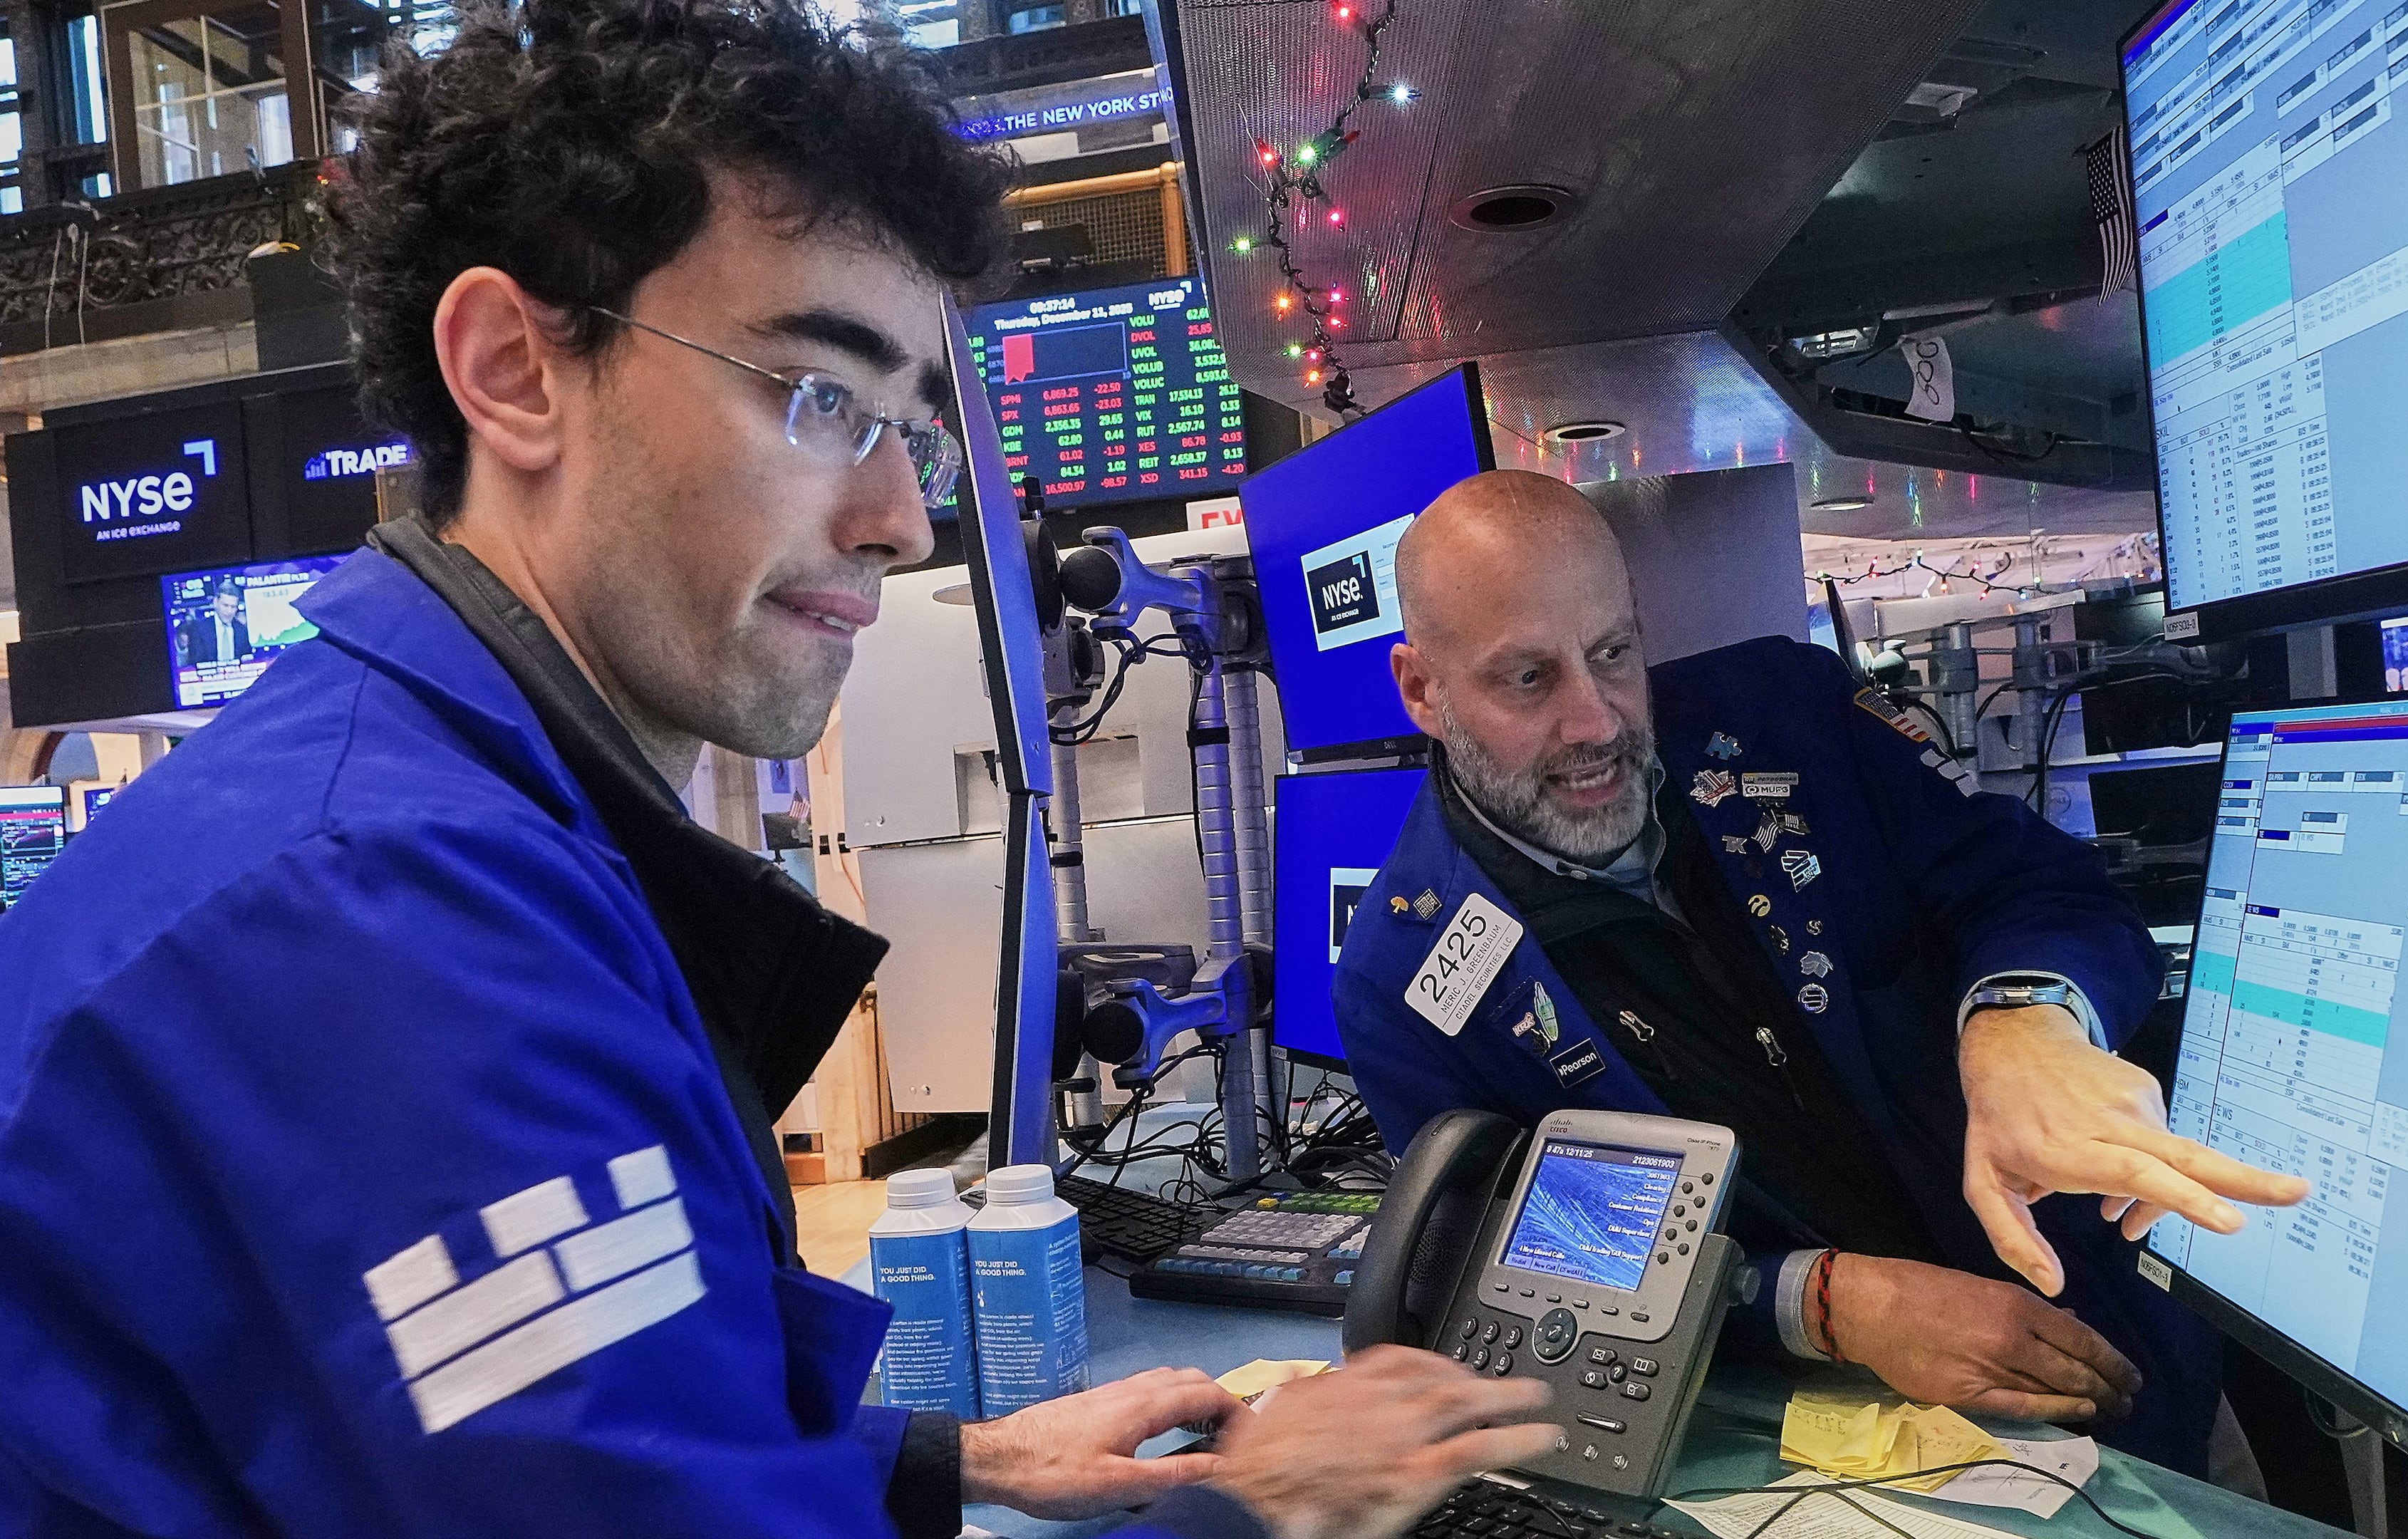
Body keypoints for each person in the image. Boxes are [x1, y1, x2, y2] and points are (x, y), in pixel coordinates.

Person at [0, 1, 1555, 1533]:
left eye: (908, 430)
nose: (899, 519)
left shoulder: (441, 824)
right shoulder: (382, 926)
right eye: (822, 398)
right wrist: (1267, 1509)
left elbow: (528, 1444)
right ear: (514, 369)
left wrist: (945, 1463)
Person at [1331, 471, 2310, 1478]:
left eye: (1614, 653)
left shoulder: (1787, 715)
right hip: (1824, 1454)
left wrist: (2025, 1016)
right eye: (1528, 679)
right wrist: (1825, 1302)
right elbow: (1515, 1272)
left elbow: (2047, 889)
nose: (1596, 722)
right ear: (1422, 690)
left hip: (2121, 1357)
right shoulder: (1403, 980)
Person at [180, 579, 250, 666]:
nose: (229, 611)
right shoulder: (199, 628)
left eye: (233, 607)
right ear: (215, 602)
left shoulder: (242, 631)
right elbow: (194, 663)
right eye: (225, 605)